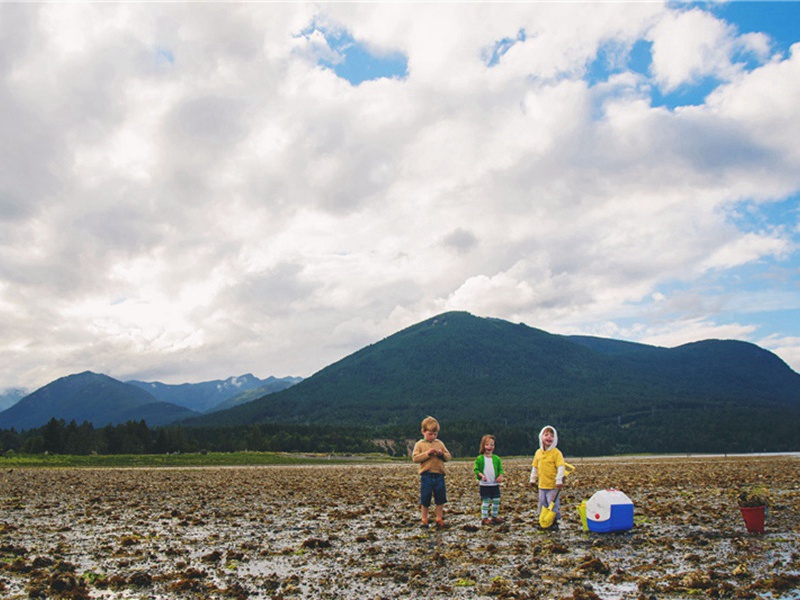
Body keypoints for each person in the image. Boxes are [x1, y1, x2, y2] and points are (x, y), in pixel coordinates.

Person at [412, 416, 452, 528]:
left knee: (440, 497)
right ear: (423, 432)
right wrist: (427, 454)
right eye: (430, 434)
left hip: (439, 475)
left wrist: (442, 455)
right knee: (425, 497)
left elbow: (448, 457)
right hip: (426, 475)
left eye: (435, 434)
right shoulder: (419, 444)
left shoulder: (439, 443)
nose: (433, 436)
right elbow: (415, 458)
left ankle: (439, 518)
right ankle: (424, 518)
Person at [529, 425, 566, 530]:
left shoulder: (556, 453)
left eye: (551, 435)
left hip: (553, 485)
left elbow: (561, 467)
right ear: (541, 437)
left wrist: (559, 480)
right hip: (542, 485)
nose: (549, 437)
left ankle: (553, 522)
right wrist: (532, 479)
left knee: (552, 503)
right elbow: (535, 467)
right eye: (546, 435)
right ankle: (543, 521)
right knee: (542, 503)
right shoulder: (538, 453)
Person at [473, 434, 505, 525]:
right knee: (486, 501)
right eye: (487, 444)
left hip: (494, 484)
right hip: (484, 485)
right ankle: (485, 518)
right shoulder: (480, 459)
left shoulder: (497, 459)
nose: (489, 447)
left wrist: (500, 476)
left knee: (496, 500)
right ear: (483, 446)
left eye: (492, 445)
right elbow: (476, 469)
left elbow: (500, 469)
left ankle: (494, 516)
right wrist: (481, 475)